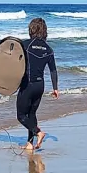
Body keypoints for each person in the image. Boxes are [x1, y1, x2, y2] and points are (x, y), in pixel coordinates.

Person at [17, 17, 59, 152]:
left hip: (27, 85)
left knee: (21, 116)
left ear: (31, 29)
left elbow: (8, 60)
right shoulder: (48, 49)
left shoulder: (25, 45)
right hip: (40, 86)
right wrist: (55, 88)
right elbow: (53, 70)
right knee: (32, 114)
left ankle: (38, 132)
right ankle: (30, 144)